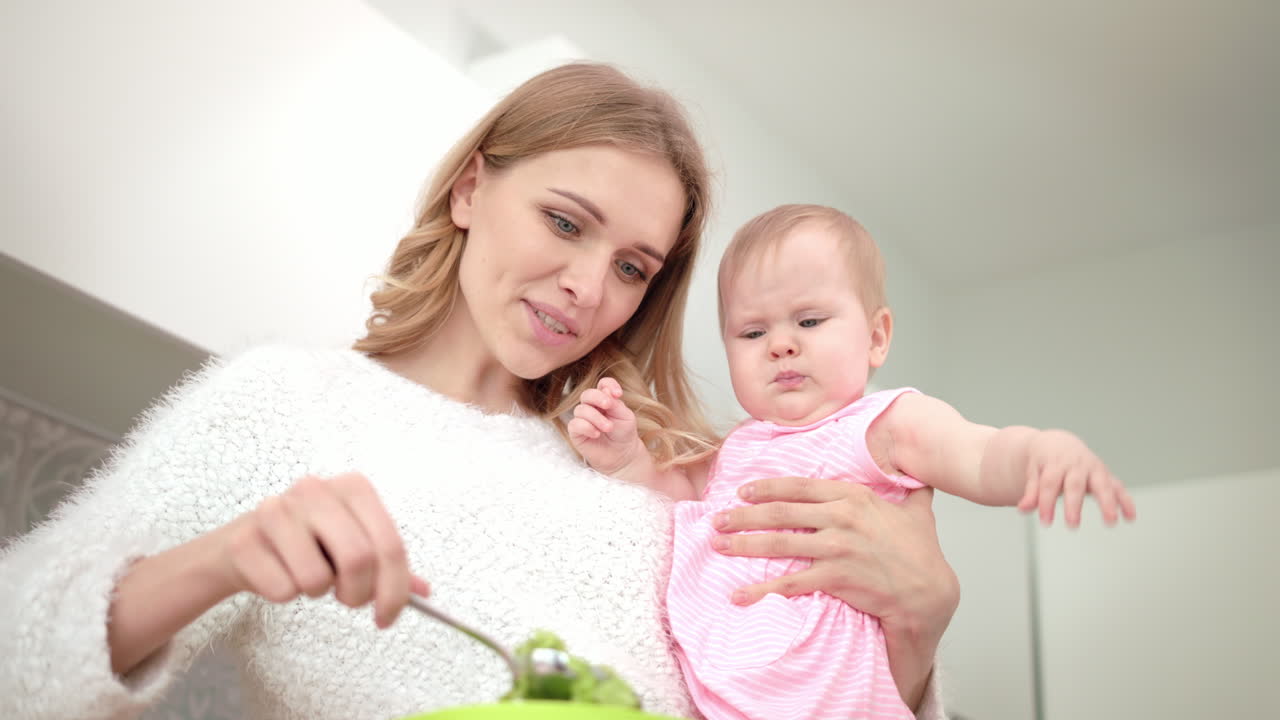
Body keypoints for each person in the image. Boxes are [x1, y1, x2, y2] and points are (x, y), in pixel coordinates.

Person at [0, 67, 957, 720]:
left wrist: (917, 635)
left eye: (632, 267)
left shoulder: (660, 473)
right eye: (564, 222)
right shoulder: (287, 406)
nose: (588, 286)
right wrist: (221, 559)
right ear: (469, 190)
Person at [570, 203, 1139, 719]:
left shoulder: (884, 424)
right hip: (720, 693)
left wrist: (1041, 452)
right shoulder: (737, 448)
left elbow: (980, 453)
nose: (781, 344)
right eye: (752, 331)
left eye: (809, 321)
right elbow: (672, 496)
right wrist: (626, 456)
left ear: (876, 337)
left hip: (835, 696)